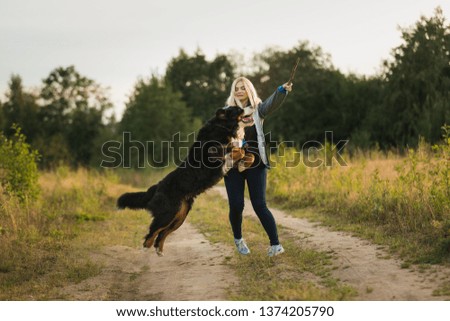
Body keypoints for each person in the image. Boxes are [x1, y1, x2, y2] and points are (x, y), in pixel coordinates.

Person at [224, 76, 292, 257]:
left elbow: (271, 103)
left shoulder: (257, 110)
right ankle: (238, 239)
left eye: (242, 87)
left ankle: (276, 245)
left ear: (249, 90)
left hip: (256, 162)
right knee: (236, 205)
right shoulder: (227, 111)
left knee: (260, 205)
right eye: (236, 87)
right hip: (233, 163)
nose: (239, 90)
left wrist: (281, 90)